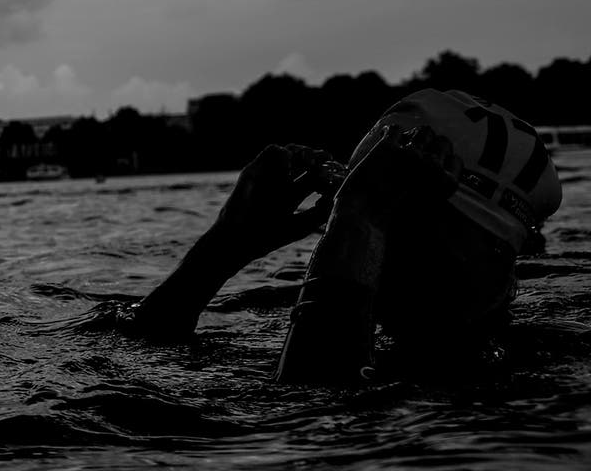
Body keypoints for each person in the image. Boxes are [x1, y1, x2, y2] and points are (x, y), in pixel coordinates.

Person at [122, 88, 562, 383]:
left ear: (498, 248)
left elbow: (316, 416)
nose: (376, 253)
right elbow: (134, 359)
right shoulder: (357, 331)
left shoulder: (523, 378)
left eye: (396, 216)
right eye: (373, 214)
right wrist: (220, 253)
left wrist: (360, 215)